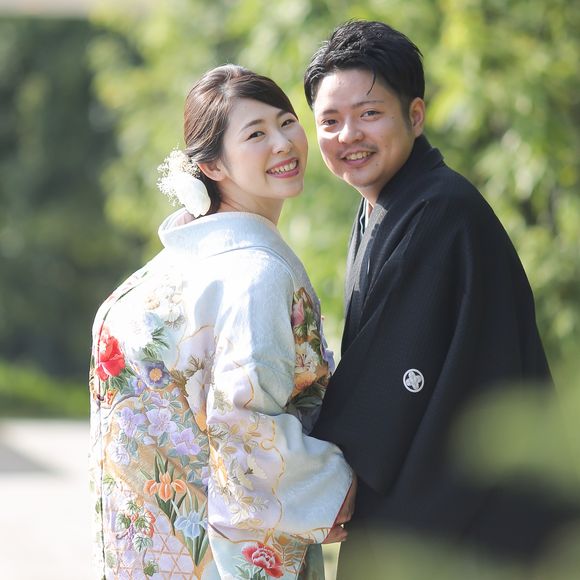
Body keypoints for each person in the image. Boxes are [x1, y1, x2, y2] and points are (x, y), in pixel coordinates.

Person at [303, 19, 577, 577]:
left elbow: (391, 381)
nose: (348, 134)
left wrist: (307, 471)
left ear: (416, 115)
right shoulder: (388, 204)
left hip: (463, 514)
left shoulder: (440, 211)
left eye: (369, 113)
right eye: (330, 121)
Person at [88, 64, 356, 580]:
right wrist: (335, 489)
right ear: (211, 165)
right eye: (256, 134)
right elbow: (244, 428)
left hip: (150, 556)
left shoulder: (157, 276)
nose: (283, 143)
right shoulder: (256, 273)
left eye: (286, 122)